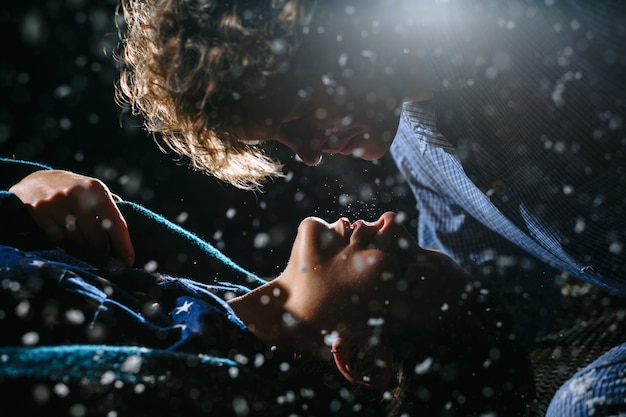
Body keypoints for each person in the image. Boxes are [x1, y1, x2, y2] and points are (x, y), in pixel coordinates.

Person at [113, 1, 626, 414]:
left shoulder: (551, 37)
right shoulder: (415, 148)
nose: (309, 152)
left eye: (295, 119)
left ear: (317, 38)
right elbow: (486, 301)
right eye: (284, 138)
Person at [0, 157, 533, 416]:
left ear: (365, 362)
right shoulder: (208, 288)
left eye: (408, 266)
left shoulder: (187, 384)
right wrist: (31, 187)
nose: (392, 221)